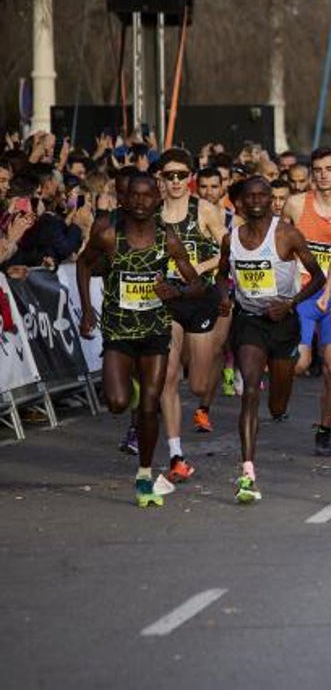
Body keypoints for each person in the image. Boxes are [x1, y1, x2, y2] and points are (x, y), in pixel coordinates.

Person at [76, 173, 208, 507]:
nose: (139, 201)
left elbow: (197, 284)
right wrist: (87, 310)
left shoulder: (168, 239)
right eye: (133, 195)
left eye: (147, 196)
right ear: (124, 199)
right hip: (119, 331)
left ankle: (145, 475)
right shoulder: (108, 235)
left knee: (151, 405)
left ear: (158, 201)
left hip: (155, 331)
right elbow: (82, 263)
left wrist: (175, 291)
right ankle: (129, 387)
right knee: (118, 403)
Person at [219, 176, 326, 503]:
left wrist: (290, 304)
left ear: (271, 200)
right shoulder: (231, 239)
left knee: (278, 402)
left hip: (283, 323)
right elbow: (222, 276)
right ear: (239, 202)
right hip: (250, 321)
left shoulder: (287, 234)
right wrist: (224, 296)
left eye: (261, 196)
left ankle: (279, 406)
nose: (254, 201)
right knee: (250, 389)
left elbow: (318, 277)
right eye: (248, 196)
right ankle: (247, 471)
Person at [283, 147, 331, 454]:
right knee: (300, 364)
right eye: (317, 169)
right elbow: (281, 242)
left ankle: (325, 428)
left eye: (330, 169)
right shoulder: (295, 204)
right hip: (302, 293)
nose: (323, 174)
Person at [155, 149, 228, 485]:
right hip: (166, 300)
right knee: (168, 378)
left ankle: (208, 374)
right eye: (169, 175)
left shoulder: (206, 211)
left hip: (199, 300)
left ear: (190, 177)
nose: (175, 182)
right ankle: (175, 453)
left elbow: (229, 249)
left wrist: (201, 266)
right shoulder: (152, 214)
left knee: (198, 383)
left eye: (181, 175)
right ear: (160, 178)